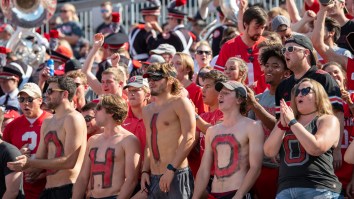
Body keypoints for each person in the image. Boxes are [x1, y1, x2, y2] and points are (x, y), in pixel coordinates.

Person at [7, 76, 87, 198]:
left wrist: (30, 162)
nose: (46, 95)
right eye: (46, 91)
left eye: (50, 91)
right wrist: (18, 163)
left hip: (69, 188)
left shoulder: (74, 118)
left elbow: (70, 162)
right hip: (48, 190)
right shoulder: (48, 122)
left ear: (65, 94)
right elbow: (39, 158)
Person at [264, 78, 342, 198]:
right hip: (285, 189)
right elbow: (269, 151)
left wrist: (293, 122)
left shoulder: (328, 119)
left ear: (318, 95)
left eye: (306, 91)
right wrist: (282, 125)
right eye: (297, 92)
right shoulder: (286, 121)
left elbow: (316, 148)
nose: (300, 94)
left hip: (318, 188)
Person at [276, 34, 344, 170]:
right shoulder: (282, 86)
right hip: (292, 157)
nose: (285, 54)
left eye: (290, 49)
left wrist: (337, 149)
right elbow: (280, 122)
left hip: (320, 152)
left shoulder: (323, 78)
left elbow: (337, 114)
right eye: (284, 50)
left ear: (305, 52)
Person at [193, 80, 264, 199]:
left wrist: (239, 195)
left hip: (238, 192)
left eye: (226, 93)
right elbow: (204, 170)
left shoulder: (253, 126)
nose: (220, 95)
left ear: (239, 100)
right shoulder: (212, 130)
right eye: (220, 92)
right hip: (215, 193)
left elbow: (255, 167)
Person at [140, 62, 196, 198]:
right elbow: (149, 143)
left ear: (170, 80)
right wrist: (145, 171)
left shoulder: (180, 103)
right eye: (149, 79)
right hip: (153, 176)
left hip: (176, 173)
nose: (151, 82)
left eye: (156, 79)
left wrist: (171, 169)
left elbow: (189, 137)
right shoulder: (147, 110)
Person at [72, 94, 140, 199]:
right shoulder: (93, 140)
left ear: (111, 112)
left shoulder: (129, 140)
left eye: (99, 108)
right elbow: (82, 177)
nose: (94, 112)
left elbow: (131, 179)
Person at [247, 44, 291, 199]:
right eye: (267, 66)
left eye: (275, 66)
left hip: (281, 168)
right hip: (258, 167)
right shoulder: (258, 99)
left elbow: (278, 126)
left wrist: (255, 106)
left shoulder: (290, 100)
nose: (269, 70)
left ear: (286, 73)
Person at [2, 83, 52, 199]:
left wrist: (43, 172)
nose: (25, 103)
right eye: (21, 99)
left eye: (30, 99)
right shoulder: (11, 127)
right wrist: (15, 155)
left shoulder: (52, 121)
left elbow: (65, 157)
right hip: (20, 189)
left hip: (47, 187)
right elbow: (3, 158)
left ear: (40, 100)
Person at [215, 6, 267, 94]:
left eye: (263, 28)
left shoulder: (266, 46)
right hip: (237, 99)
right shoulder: (229, 46)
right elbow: (218, 76)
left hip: (263, 100)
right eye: (256, 27)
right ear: (246, 24)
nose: (260, 32)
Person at [323, 62, 354, 198]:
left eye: (336, 72)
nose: (333, 76)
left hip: (350, 171)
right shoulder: (319, 103)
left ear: (345, 77)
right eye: (328, 74)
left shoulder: (353, 99)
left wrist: (351, 105)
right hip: (328, 176)